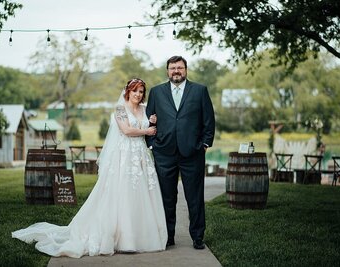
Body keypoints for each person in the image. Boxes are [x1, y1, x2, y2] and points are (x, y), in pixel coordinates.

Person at [12, 78, 167, 258]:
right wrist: (147, 131)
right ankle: (122, 238)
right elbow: (126, 130)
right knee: (122, 194)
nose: (138, 95)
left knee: (141, 195)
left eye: (141, 92)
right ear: (128, 91)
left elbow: (150, 122)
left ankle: (141, 236)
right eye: (135, 91)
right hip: (123, 157)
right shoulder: (120, 109)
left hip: (140, 157)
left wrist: (152, 120)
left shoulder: (145, 108)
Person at [146, 56, 215, 250]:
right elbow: (149, 120)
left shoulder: (200, 91)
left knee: (195, 197)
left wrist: (204, 144)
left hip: (192, 153)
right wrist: (152, 144)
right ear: (167, 71)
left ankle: (198, 236)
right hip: (164, 153)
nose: (176, 71)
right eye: (172, 68)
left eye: (180, 68)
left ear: (186, 70)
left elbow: (208, 121)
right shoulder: (157, 92)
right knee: (166, 197)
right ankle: (168, 236)